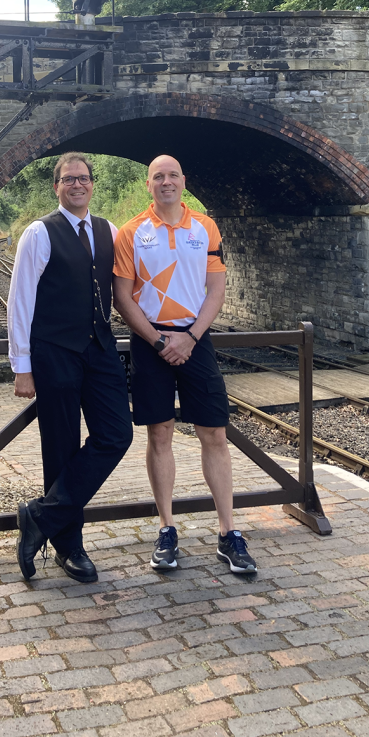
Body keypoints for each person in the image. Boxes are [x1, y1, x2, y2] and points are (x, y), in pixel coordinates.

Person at [113, 155, 256, 574]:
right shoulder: (131, 232)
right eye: (158, 176)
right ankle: (167, 528)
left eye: (172, 175)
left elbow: (216, 289)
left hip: (196, 339)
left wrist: (190, 337)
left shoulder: (206, 227)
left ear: (184, 181)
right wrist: (159, 340)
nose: (166, 182)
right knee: (159, 432)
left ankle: (228, 532)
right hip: (149, 340)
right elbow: (123, 296)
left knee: (214, 431)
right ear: (148, 184)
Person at [8, 151, 132, 583]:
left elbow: (125, 286)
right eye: (67, 179)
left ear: (92, 184)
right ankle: (69, 548)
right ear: (56, 187)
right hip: (54, 350)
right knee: (59, 447)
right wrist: (21, 366)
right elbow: (20, 301)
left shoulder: (109, 231)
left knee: (117, 433)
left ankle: (40, 517)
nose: (76, 185)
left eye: (83, 178)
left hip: (99, 348)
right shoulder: (39, 232)